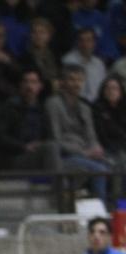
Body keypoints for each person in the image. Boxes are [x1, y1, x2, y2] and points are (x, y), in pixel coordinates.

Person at [48, 64, 111, 209]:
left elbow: (91, 136)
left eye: (79, 80)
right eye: (71, 79)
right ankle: (100, 212)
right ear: (63, 82)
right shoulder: (53, 104)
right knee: (99, 169)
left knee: (114, 164)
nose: (76, 84)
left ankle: (116, 208)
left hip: (86, 155)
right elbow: (55, 139)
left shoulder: (85, 107)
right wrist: (84, 153)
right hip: (64, 156)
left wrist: (96, 148)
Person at [0, 69, 59, 170]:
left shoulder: (42, 110)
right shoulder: (9, 107)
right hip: (14, 157)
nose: (29, 86)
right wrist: (23, 146)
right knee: (51, 148)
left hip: (36, 154)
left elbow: (49, 136)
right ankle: (58, 185)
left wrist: (39, 144)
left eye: (33, 82)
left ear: (40, 86)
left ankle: (58, 183)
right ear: (20, 85)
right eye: (25, 81)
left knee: (80, 166)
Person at [64, 27, 109, 101]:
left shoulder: (99, 64)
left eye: (89, 40)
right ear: (77, 42)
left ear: (94, 43)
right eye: (81, 40)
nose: (85, 44)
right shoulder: (68, 61)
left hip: (98, 105)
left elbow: (104, 87)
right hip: (76, 104)